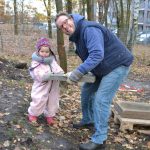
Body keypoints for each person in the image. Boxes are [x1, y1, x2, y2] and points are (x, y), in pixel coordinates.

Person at [55, 12, 134, 150]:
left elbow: (97, 54)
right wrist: (81, 71)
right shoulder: (78, 36)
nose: (66, 26)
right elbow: (90, 57)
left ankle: (99, 139)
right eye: (61, 26)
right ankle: (88, 120)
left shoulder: (88, 29)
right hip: (104, 67)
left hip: (117, 65)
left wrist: (78, 72)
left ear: (72, 18)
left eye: (66, 21)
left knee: (101, 99)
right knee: (87, 90)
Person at [28, 37, 64, 126]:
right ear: (38, 51)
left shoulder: (52, 61)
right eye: (42, 51)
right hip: (42, 85)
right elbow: (35, 73)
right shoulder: (36, 62)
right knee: (39, 99)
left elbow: (57, 69)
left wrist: (60, 73)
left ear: (50, 52)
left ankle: (50, 115)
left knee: (52, 100)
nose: (44, 54)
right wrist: (44, 76)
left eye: (47, 52)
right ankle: (33, 114)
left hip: (53, 86)